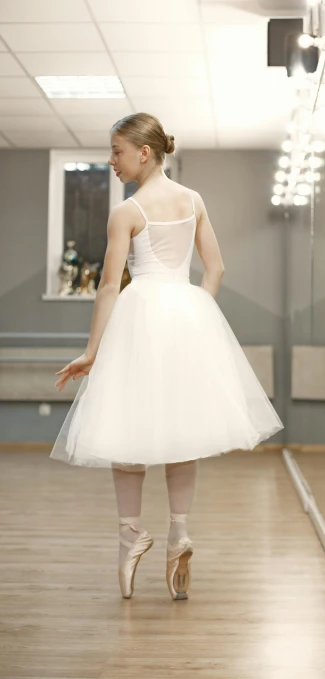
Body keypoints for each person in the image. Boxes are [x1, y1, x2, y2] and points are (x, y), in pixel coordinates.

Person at [50, 112, 284, 601]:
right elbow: (215, 267)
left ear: (144, 153)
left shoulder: (127, 212)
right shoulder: (192, 200)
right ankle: (179, 533)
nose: (111, 161)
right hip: (183, 316)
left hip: (139, 320)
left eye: (117, 152)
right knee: (181, 436)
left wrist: (93, 351)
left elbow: (110, 286)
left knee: (126, 430)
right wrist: (196, 316)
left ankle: (130, 536)